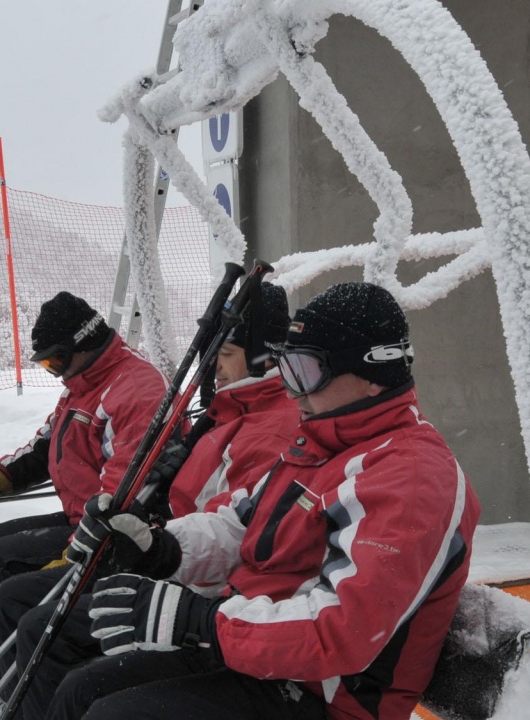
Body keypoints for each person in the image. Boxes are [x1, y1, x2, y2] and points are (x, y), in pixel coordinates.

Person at [38, 281, 482, 720]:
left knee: (116, 715)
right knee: (84, 689)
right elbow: (240, 522)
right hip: (260, 657)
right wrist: (160, 549)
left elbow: (343, 632)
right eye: (286, 371)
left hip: (327, 696)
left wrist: (203, 622)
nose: (292, 392)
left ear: (372, 377)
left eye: (305, 373)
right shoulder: (321, 443)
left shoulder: (413, 478)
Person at [0, 283, 299, 718]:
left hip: (196, 590)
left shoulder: (269, 430)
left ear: (263, 356)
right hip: (159, 554)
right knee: (15, 590)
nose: (214, 367)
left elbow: (235, 532)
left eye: (226, 354)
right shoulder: (232, 411)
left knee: (41, 627)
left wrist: (153, 547)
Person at [0, 291, 169, 660]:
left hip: (114, 532)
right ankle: (9, 673)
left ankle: (21, 691)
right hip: (81, 515)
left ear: (84, 342)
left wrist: (76, 550)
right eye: (46, 365)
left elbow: (125, 490)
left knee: (3, 572)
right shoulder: (83, 382)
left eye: (56, 360)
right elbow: (48, 444)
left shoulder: (134, 389)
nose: (54, 372)